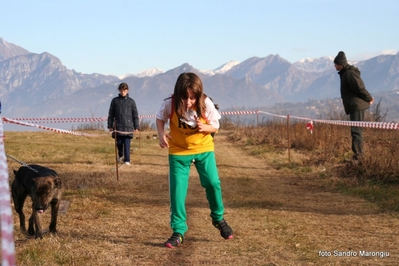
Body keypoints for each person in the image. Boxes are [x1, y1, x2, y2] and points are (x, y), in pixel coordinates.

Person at [156, 72, 233, 248]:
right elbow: (160, 118)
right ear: (178, 93)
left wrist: (204, 127)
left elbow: (215, 125)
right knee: (177, 192)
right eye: (184, 97)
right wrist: (161, 134)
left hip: (203, 149)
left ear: (198, 95)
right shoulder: (170, 103)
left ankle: (218, 219)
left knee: (212, 183)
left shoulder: (206, 103)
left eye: (192, 98)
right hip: (179, 151)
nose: (188, 102)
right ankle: (178, 231)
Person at [334, 51, 374, 161]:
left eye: (336, 64)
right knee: (356, 130)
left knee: (356, 131)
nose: (334, 66)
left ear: (340, 64)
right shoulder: (345, 73)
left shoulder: (349, 74)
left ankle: (358, 157)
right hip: (354, 105)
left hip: (356, 105)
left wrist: (369, 98)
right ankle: (357, 156)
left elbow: (359, 88)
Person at [107, 82, 140, 165]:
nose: (123, 92)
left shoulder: (131, 102)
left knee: (127, 143)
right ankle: (120, 154)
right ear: (119, 90)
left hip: (128, 126)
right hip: (118, 126)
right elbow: (111, 114)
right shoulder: (115, 101)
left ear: (127, 90)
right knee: (119, 143)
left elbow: (135, 115)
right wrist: (110, 126)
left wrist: (136, 126)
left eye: (125, 90)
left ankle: (127, 160)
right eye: (121, 90)